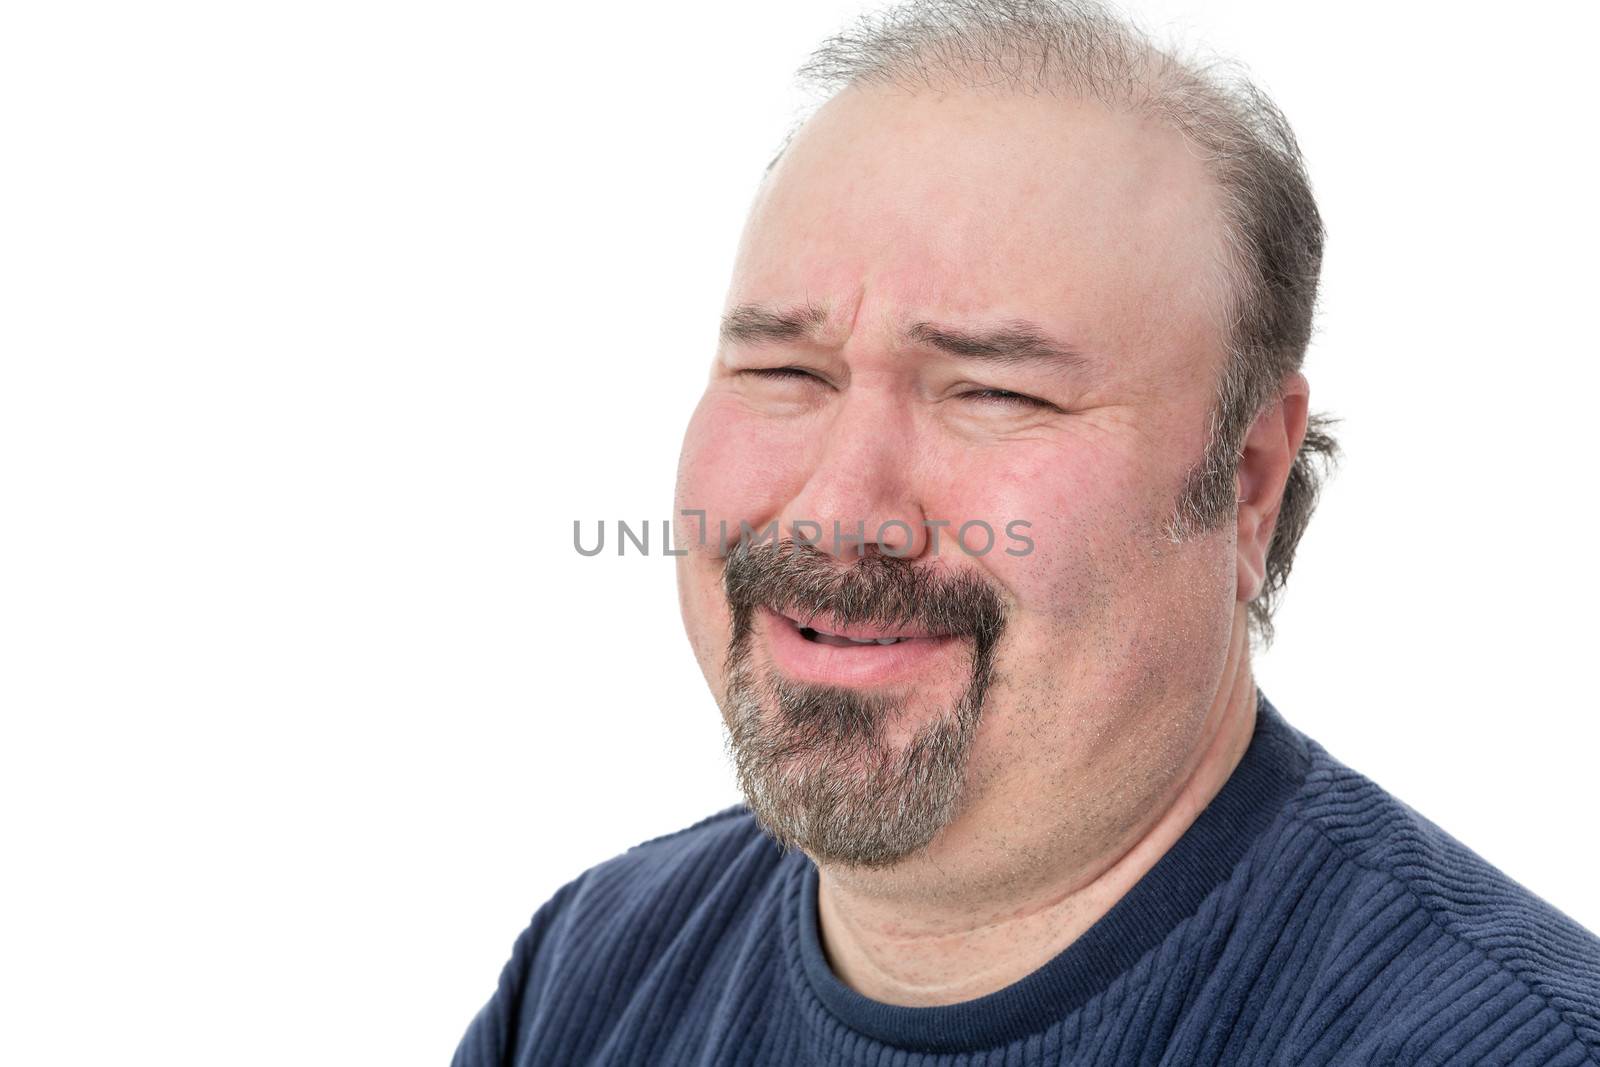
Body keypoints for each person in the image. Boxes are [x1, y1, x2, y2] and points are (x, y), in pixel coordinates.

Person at [452, 1, 1600, 1062]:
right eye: (784, 368)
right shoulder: (591, 973)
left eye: (993, 393)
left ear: (1247, 480)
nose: (841, 507)